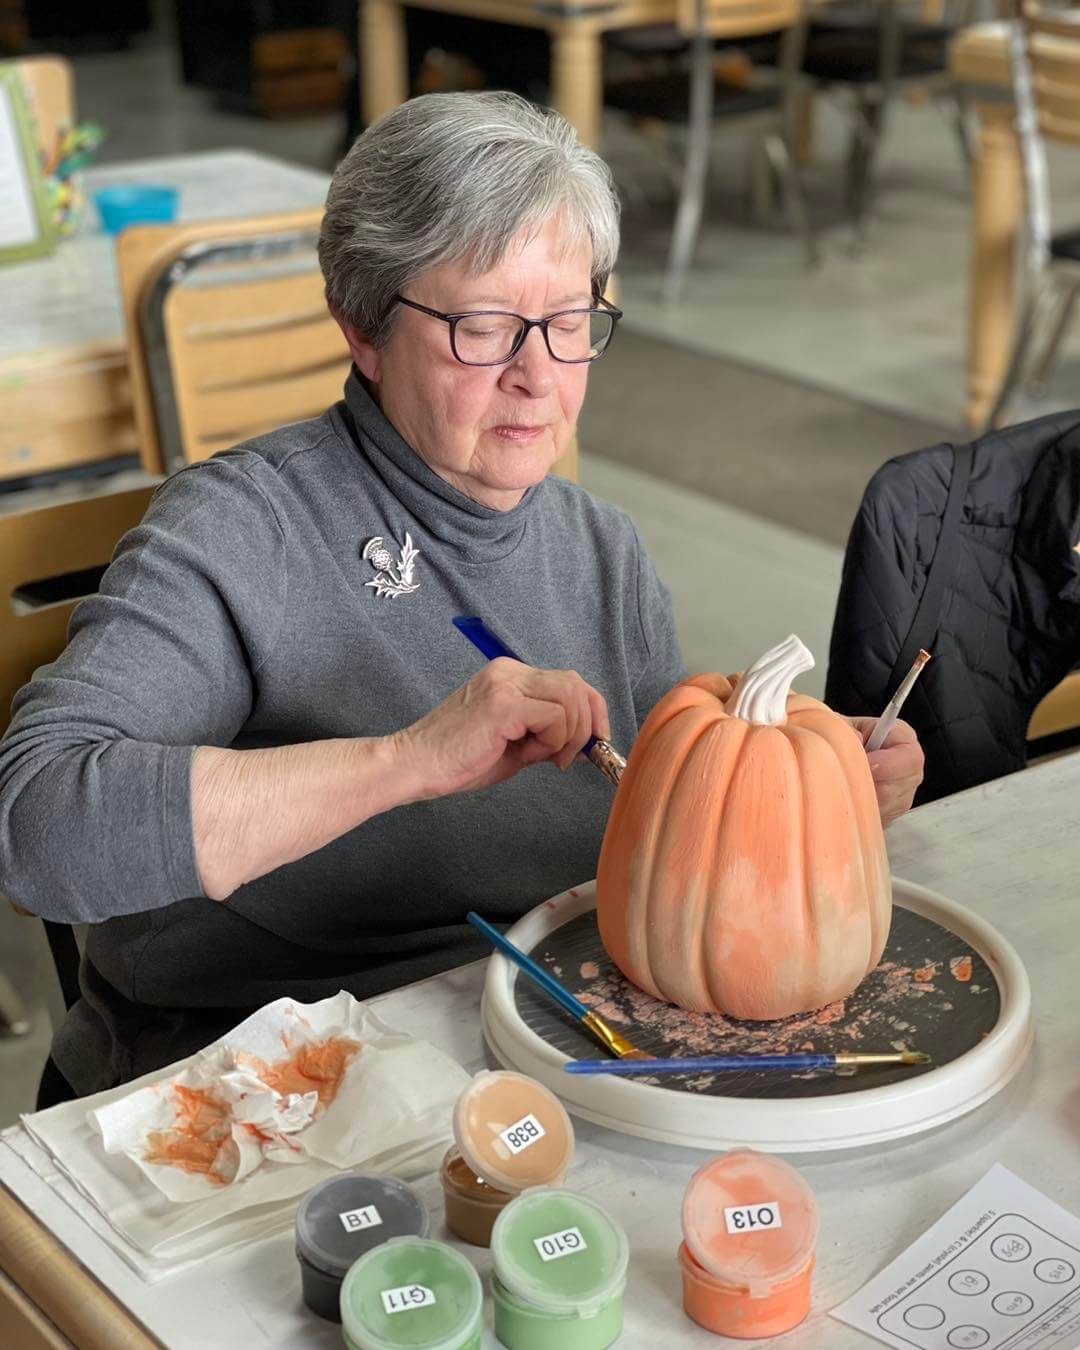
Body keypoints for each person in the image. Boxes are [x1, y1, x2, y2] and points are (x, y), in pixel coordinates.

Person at [0, 92, 924, 1106]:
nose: (539, 377)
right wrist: (409, 762)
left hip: (525, 1052)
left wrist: (810, 796)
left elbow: (673, 855)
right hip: (255, 1091)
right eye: (484, 328)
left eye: (570, 321)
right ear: (362, 326)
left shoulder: (600, 550)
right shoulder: (239, 530)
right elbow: (39, 830)